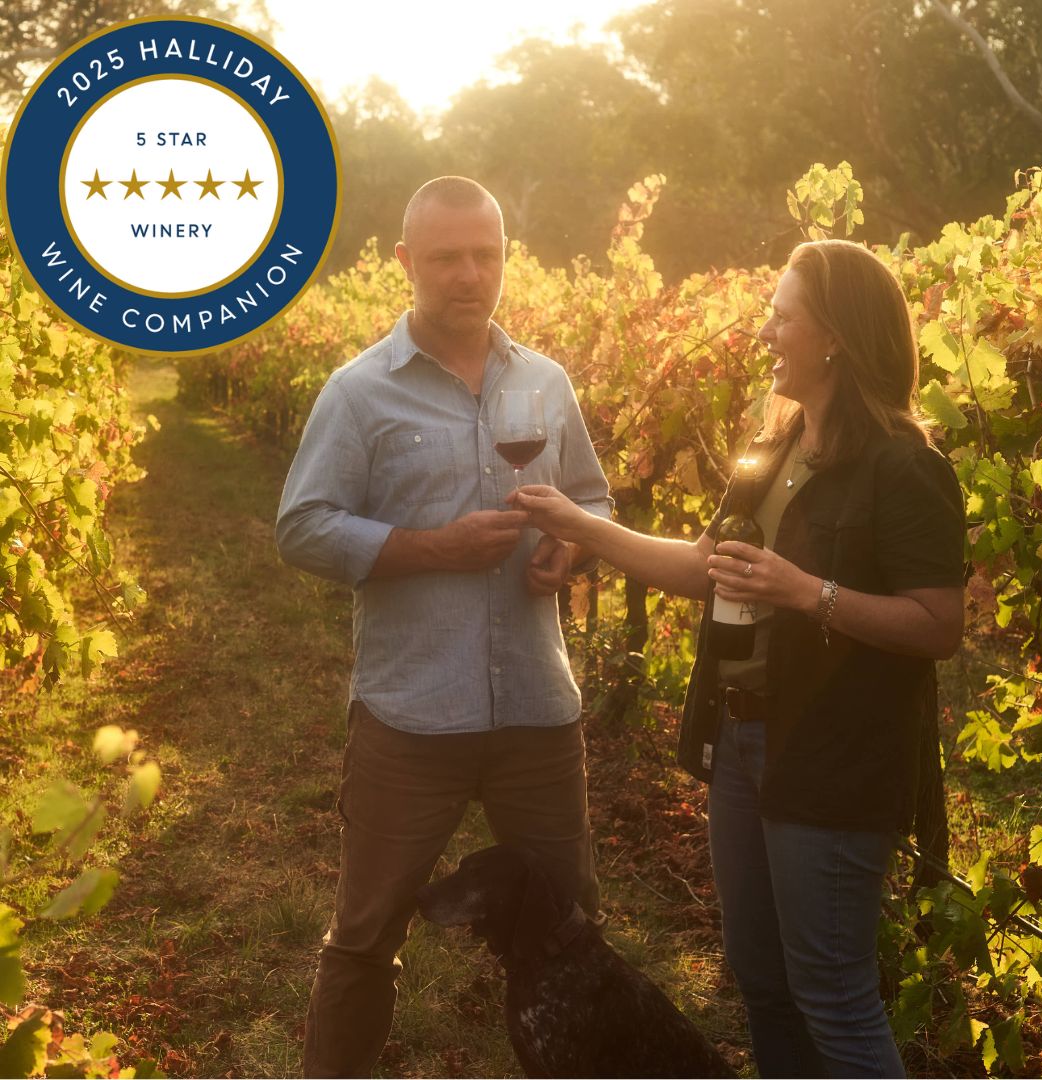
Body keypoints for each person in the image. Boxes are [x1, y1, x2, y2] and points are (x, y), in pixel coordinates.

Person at [513, 238, 965, 1078]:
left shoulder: (904, 466)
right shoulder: (776, 449)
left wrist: (807, 592)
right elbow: (699, 567)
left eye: (781, 316)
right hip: (744, 744)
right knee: (762, 984)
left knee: (832, 990)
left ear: (833, 334)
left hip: (834, 755)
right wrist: (584, 529)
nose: (764, 332)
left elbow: (939, 624)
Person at [276, 176, 612, 1078]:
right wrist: (431, 548)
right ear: (404, 263)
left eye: (486, 255)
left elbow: (592, 497)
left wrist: (569, 551)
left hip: (539, 714)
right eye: (445, 258)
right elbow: (301, 526)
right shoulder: (359, 393)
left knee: (571, 927)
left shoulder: (545, 382)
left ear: (506, 257)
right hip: (411, 717)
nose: (469, 275)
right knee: (365, 936)